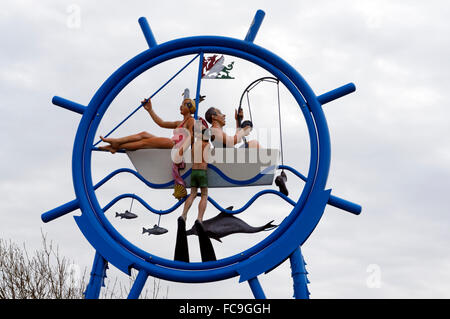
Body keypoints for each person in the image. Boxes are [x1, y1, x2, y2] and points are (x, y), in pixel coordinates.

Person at [174, 119, 216, 262]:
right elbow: (209, 159)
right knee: (204, 195)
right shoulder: (207, 144)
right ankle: (199, 218)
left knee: (192, 194)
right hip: (203, 172)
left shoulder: (195, 145)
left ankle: (183, 215)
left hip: (193, 172)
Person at [98, 97, 196, 153]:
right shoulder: (179, 123)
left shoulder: (191, 121)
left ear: (190, 107)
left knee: (144, 143)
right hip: (172, 143)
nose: (181, 106)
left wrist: (182, 150)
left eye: (184, 104)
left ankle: (117, 146)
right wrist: (150, 110)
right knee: (144, 134)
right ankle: (117, 142)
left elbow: (192, 137)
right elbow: (161, 123)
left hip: (175, 145)